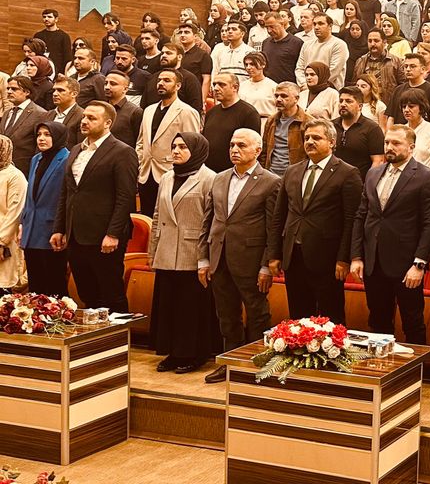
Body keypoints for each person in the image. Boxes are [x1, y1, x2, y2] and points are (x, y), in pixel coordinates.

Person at [200, 128, 281, 384]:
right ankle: (229, 364)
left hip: (251, 259)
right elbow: (209, 220)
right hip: (219, 255)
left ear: (258, 150)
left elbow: (273, 228)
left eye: (241, 145)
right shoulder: (219, 178)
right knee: (226, 315)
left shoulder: (271, 182)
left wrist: (266, 265)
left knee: (257, 314)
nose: (235, 149)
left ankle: (258, 364)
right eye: (232, 145)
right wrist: (203, 258)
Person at [351, 124, 430, 346]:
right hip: (374, 261)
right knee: (378, 322)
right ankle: (382, 366)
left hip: (406, 264)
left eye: (396, 143)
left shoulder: (425, 176)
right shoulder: (373, 173)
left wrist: (419, 264)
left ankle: (417, 368)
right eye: (387, 142)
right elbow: (361, 216)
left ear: (411, 147)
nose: (389, 147)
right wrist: (356, 256)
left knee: (413, 323)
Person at [267, 119, 362, 323]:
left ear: (332, 142)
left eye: (316, 138)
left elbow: (351, 220)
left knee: (331, 319)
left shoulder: (348, 173)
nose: (310, 141)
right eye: (307, 138)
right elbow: (279, 216)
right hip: (294, 256)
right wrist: (274, 253)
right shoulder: (292, 171)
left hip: (327, 259)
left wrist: (343, 258)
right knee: (298, 319)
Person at [52, 101, 139, 313]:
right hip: (76, 234)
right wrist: (59, 228)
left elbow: (125, 197)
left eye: (92, 118)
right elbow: (66, 193)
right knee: (87, 294)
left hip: (104, 235)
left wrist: (113, 234)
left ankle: (120, 334)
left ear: (108, 123)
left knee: (111, 294)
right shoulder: (75, 150)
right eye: (84, 117)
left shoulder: (122, 152)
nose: (84, 121)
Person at [147, 132, 216, 374]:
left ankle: (193, 354)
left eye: (183, 147)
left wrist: (206, 258)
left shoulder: (209, 178)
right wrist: (153, 251)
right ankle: (172, 352)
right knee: (169, 305)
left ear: (196, 150)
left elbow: (211, 221)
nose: (176, 151)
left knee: (190, 307)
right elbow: (157, 214)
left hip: (192, 251)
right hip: (166, 249)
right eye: (174, 146)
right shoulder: (167, 177)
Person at [137, 70, 202, 217]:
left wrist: (183, 175)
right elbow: (141, 142)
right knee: (147, 218)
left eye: (167, 80)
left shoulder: (187, 111)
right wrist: (140, 165)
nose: (161, 83)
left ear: (178, 86)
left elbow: (192, 146)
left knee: (167, 219)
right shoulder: (148, 110)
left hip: (171, 173)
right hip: (146, 174)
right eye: (159, 80)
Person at [20, 121, 69, 296]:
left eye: (47, 135)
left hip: (52, 229)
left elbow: (66, 197)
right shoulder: (36, 159)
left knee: (54, 284)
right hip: (32, 227)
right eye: (39, 134)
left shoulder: (67, 159)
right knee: (35, 285)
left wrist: (62, 229)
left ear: (59, 137)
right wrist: (22, 222)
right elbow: (30, 194)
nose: (41, 138)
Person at [202, 73, 261, 173]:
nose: (216, 88)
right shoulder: (212, 112)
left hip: (234, 173)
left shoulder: (249, 113)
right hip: (209, 172)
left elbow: (252, 148)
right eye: (214, 84)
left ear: (235, 87)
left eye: (222, 84)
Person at [3, 76, 49, 178]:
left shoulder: (40, 114)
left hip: (25, 169)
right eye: (8, 88)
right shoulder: (7, 113)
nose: (9, 92)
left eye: (14, 89)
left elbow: (40, 146)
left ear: (27, 92)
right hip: (4, 169)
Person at [0, 136, 26, 291]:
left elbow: (14, 213)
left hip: (6, 240)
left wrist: (1, 241)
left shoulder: (15, 176)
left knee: (5, 286)